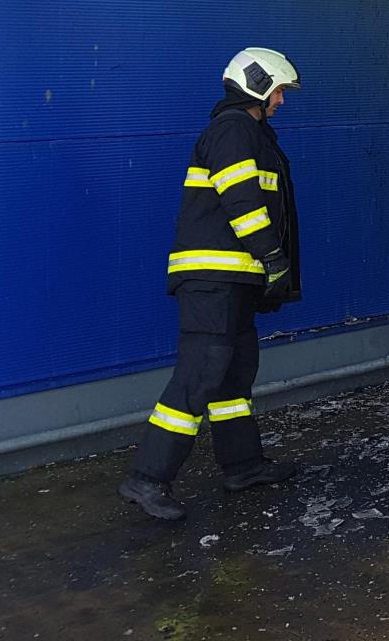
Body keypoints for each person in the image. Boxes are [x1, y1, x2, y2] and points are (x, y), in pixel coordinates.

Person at [118, 48, 303, 521]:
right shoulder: (233, 130)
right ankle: (147, 479)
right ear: (257, 85)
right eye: (278, 89)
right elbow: (241, 198)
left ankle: (242, 466)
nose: (281, 100)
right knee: (200, 373)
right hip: (213, 281)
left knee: (234, 373)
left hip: (233, 280)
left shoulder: (247, 131)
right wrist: (271, 254)